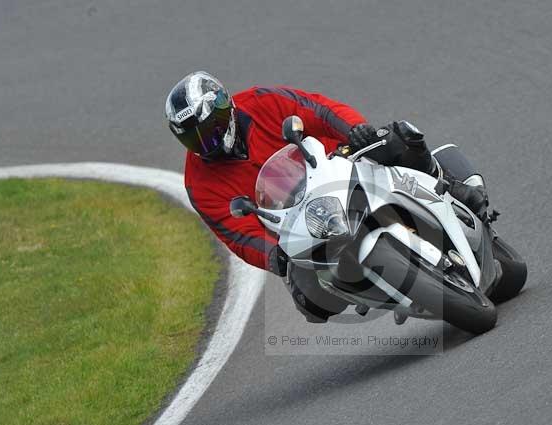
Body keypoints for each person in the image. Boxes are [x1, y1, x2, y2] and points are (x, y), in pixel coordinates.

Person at [165, 71, 489, 322]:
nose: (205, 141)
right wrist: (273, 255)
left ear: (226, 108)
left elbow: (317, 109)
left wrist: (354, 132)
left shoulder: (261, 101)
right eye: (194, 138)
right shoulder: (199, 182)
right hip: (298, 226)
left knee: (397, 139)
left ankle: (452, 185)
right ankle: (372, 289)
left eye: (208, 128)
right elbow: (236, 233)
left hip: (337, 166)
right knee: (311, 302)